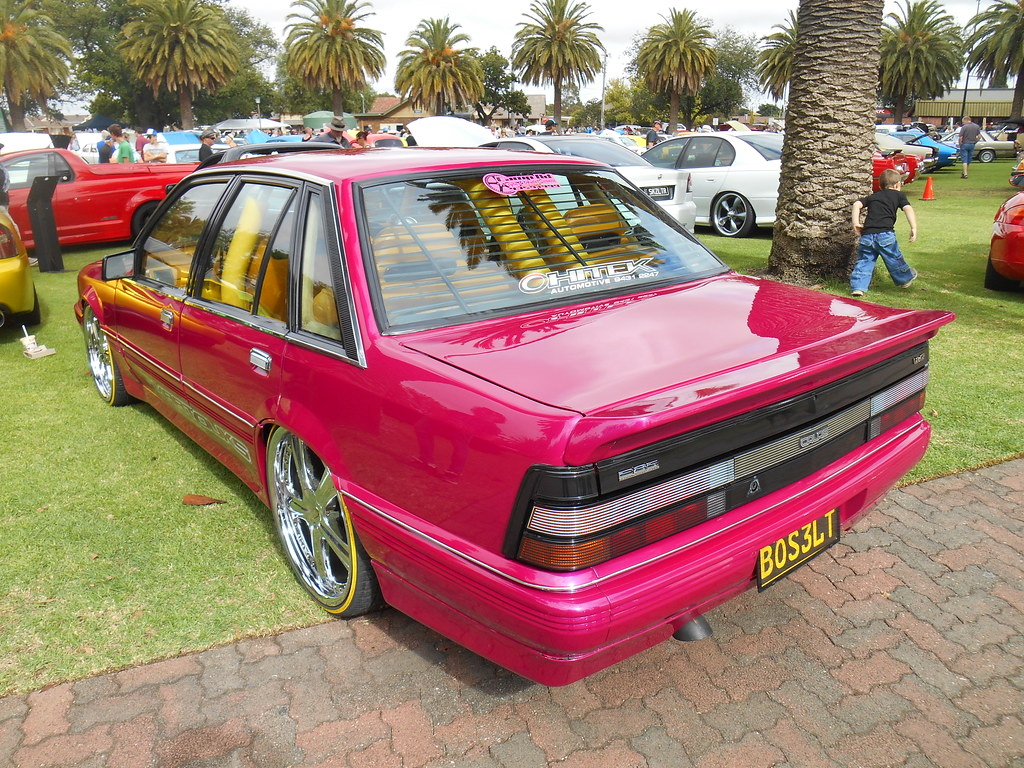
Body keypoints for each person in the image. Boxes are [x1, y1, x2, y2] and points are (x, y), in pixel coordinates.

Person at [849, 167, 918, 297]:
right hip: (885, 234)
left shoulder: (874, 196)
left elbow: (857, 204)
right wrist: (913, 228)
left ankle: (858, 287)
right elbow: (908, 209)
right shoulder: (899, 195)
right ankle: (905, 279)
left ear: (880, 186)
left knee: (865, 260)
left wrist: (856, 223)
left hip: (867, 235)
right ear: (898, 184)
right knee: (893, 257)